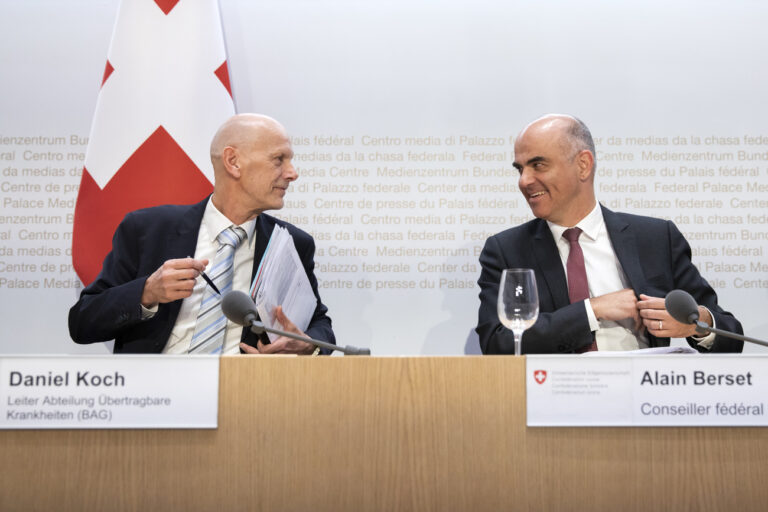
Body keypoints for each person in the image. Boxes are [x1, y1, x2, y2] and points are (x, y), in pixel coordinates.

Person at [69, 114, 335, 355]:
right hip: (152, 395)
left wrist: (307, 344)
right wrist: (147, 293)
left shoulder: (291, 243)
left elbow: (318, 324)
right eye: (279, 160)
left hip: (243, 394)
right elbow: (82, 322)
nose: (292, 173)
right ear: (233, 162)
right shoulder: (147, 230)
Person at [476, 114, 742, 354]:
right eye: (520, 169)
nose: (524, 180)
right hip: (553, 400)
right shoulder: (506, 250)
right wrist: (592, 310)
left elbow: (731, 336)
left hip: (645, 400)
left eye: (538, 165)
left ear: (583, 165)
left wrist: (698, 324)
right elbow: (497, 343)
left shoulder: (656, 239)